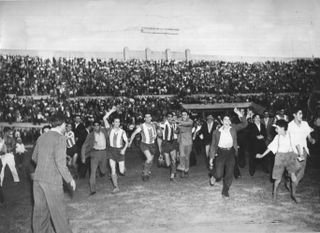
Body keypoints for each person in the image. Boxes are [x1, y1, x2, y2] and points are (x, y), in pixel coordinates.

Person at [32, 115, 76, 233]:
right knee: (59, 214)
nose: (65, 127)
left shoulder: (41, 137)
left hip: (38, 179)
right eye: (65, 125)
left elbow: (34, 157)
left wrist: (44, 166)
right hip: (52, 181)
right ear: (61, 125)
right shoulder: (60, 138)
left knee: (40, 214)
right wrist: (70, 179)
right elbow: (61, 164)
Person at [256, 119, 300, 203]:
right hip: (279, 157)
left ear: (283, 128)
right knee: (278, 179)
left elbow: (297, 144)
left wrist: (300, 154)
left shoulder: (291, 135)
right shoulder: (277, 137)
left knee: (293, 177)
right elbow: (270, 147)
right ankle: (274, 194)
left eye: (277, 128)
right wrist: (262, 155)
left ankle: (294, 195)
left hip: (290, 156)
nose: (275, 130)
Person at [209, 108, 247, 199]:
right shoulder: (216, 132)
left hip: (230, 153)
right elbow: (213, 146)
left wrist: (239, 113)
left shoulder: (233, 128)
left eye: (228, 119)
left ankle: (225, 191)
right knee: (219, 174)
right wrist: (211, 158)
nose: (227, 121)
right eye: (225, 119)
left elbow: (245, 124)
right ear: (222, 121)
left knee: (229, 174)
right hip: (221, 153)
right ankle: (214, 176)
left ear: (230, 121)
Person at [287, 108, 315, 193]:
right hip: (294, 150)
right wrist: (299, 153)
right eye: (299, 114)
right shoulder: (290, 125)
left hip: (304, 149)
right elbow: (293, 140)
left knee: (301, 173)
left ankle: (291, 183)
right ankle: (293, 188)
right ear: (294, 115)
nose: (301, 115)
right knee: (295, 169)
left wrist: (311, 139)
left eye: (302, 114)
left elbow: (308, 135)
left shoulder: (305, 124)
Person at [81, 120, 109, 196]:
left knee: (103, 171)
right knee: (92, 172)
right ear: (93, 126)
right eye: (95, 125)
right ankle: (92, 189)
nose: (96, 127)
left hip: (103, 153)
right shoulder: (90, 135)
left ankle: (101, 171)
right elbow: (84, 146)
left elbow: (108, 127)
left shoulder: (104, 132)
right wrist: (83, 157)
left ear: (100, 126)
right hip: (94, 154)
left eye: (98, 125)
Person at [103, 112, 128, 193]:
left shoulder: (122, 131)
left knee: (121, 171)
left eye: (118, 122)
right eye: (116, 122)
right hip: (111, 151)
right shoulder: (109, 129)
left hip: (120, 151)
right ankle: (116, 187)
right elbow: (104, 118)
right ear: (113, 123)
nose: (117, 123)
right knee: (112, 168)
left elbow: (126, 142)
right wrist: (111, 111)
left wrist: (124, 149)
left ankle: (123, 169)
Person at [129, 113, 158, 181]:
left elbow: (155, 133)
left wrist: (155, 135)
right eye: (146, 117)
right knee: (149, 158)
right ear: (144, 118)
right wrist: (130, 142)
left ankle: (147, 171)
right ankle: (145, 174)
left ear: (151, 118)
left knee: (150, 161)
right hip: (144, 144)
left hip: (152, 145)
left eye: (149, 117)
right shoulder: (142, 126)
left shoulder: (153, 125)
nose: (148, 118)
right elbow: (134, 133)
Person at [160, 113, 178, 181]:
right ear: (167, 118)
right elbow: (159, 129)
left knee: (174, 159)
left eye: (171, 117)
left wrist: (177, 131)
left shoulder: (174, 124)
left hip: (172, 142)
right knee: (167, 163)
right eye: (169, 117)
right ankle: (173, 170)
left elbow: (176, 131)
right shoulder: (164, 124)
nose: (170, 118)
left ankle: (172, 176)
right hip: (165, 143)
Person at [175, 111, 193, 178]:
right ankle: (182, 170)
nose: (183, 116)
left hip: (188, 142)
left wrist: (177, 122)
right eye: (182, 115)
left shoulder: (190, 121)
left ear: (188, 115)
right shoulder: (180, 121)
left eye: (185, 115)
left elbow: (187, 124)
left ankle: (186, 170)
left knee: (187, 157)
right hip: (181, 141)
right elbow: (177, 131)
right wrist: (174, 129)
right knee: (181, 156)